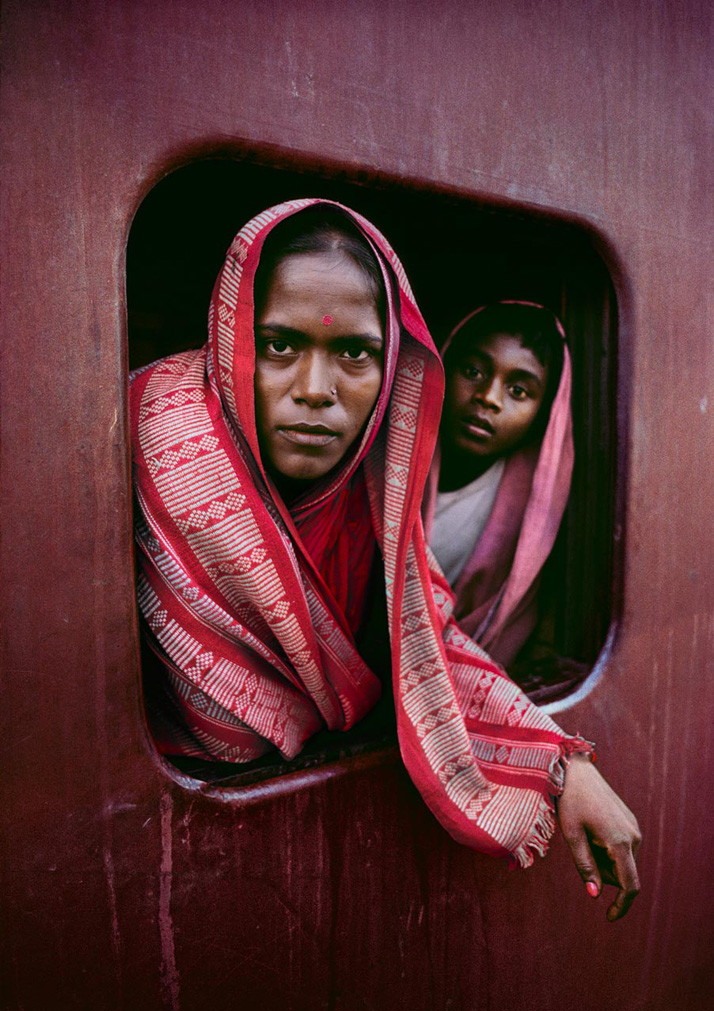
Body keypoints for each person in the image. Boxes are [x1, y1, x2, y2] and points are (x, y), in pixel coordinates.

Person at [131, 201, 640, 919]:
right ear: (228, 335)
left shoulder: (372, 491)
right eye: (278, 344)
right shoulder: (152, 444)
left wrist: (563, 763)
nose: (315, 388)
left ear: (392, 363)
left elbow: (427, 636)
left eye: (354, 353)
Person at [425, 301, 573, 670]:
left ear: (545, 411)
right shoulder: (393, 465)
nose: (488, 398)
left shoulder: (532, 509)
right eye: (473, 370)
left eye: (518, 391)